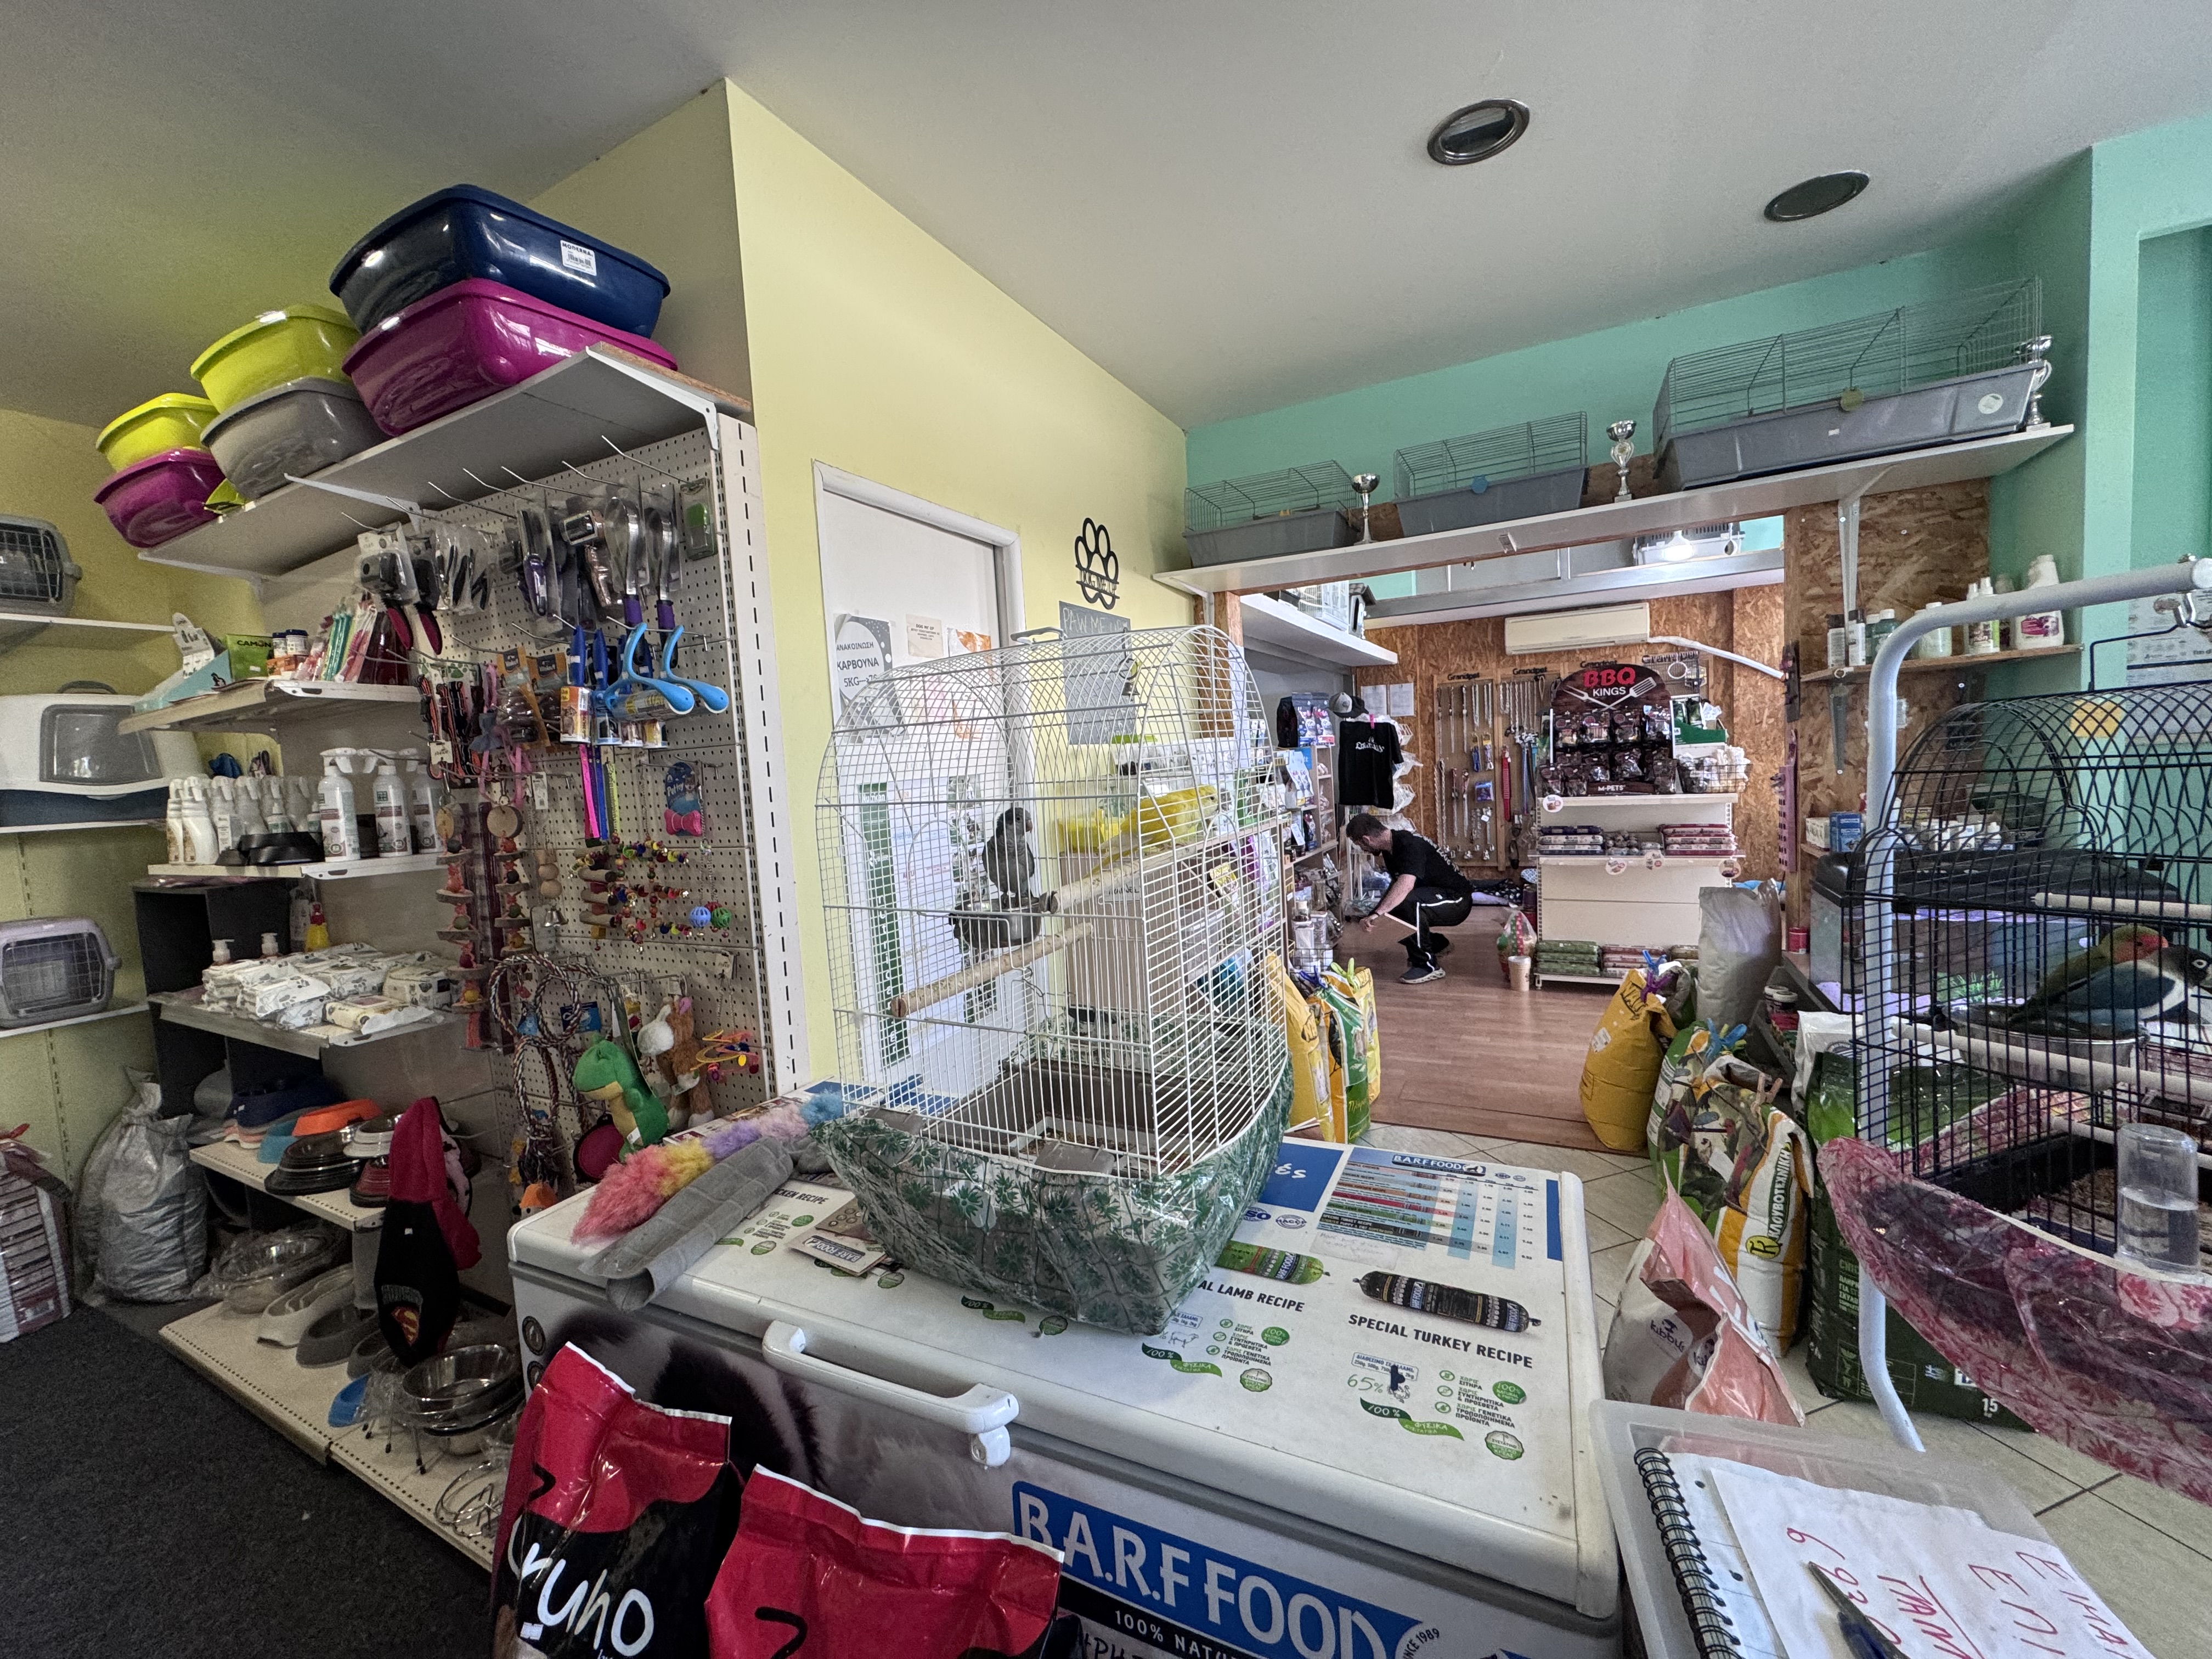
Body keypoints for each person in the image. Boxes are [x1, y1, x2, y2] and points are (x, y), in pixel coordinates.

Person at [1345, 812, 1475, 984]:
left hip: (1458, 900)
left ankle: (1427, 966)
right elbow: (1397, 886)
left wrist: (1378, 914)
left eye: (1360, 845)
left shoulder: (1409, 844)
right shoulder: (1390, 849)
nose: (1363, 850)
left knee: (1410, 903)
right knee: (1391, 914)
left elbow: (1406, 885)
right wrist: (1375, 915)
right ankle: (1436, 943)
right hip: (1437, 895)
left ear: (1366, 840)